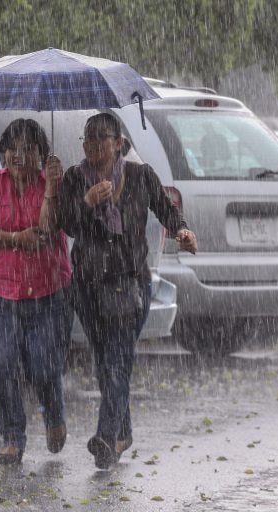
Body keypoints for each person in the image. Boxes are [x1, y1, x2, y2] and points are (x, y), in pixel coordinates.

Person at [58, 113, 197, 469]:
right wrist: (87, 202)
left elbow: (168, 210)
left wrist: (182, 231)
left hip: (130, 282)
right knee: (106, 363)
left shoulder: (140, 175)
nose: (93, 146)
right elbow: (67, 225)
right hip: (88, 285)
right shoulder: (74, 178)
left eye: (101, 138)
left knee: (118, 360)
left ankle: (106, 437)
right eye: (88, 139)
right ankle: (123, 433)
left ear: (118, 142)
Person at [0, 118, 73, 465]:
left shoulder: (53, 184)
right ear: (3, 152)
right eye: (12, 148)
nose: (19, 155)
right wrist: (16, 239)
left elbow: (47, 228)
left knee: (43, 368)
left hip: (48, 291)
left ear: (42, 154)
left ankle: (54, 413)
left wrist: (52, 189)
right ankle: (12, 437)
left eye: (29, 149)